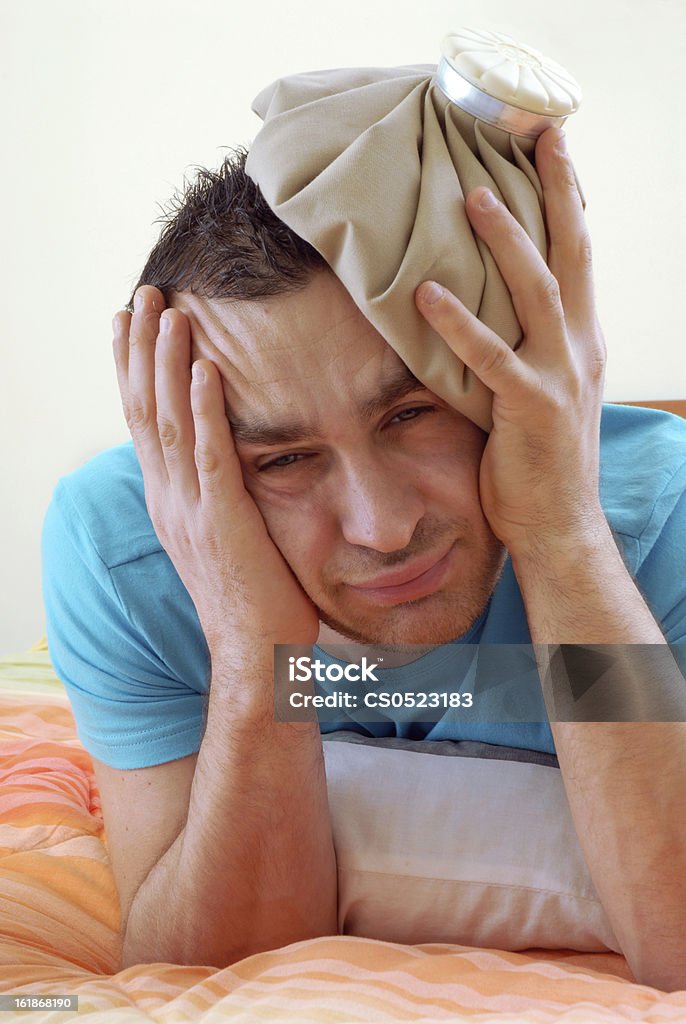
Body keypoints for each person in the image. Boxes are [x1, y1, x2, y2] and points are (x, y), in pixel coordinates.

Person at [42, 127, 686, 988]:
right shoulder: (127, 556)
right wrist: (250, 640)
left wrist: (563, 537)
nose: (382, 527)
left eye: (411, 414)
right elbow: (197, 981)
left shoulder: (657, 515)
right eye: (283, 460)